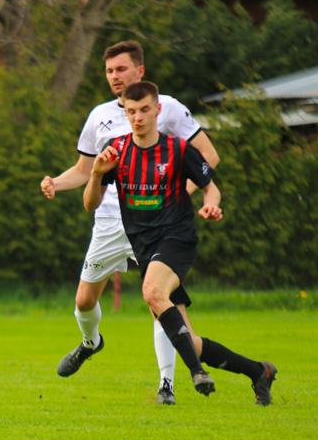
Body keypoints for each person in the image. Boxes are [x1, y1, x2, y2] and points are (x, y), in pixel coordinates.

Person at [40, 40, 221, 405]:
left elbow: (208, 155)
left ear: (139, 70)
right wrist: (55, 183)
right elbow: (83, 170)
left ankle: (166, 384)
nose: (114, 77)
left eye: (121, 69)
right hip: (110, 221)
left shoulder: (163, 106)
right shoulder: (100, 116)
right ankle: (91, 342)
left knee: (159, 301)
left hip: (158, 223)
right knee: (84, 300)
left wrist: (177, 197)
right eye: (108, 71)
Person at [83, 81, 278, 406]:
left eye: (144, 109)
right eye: (131, 111)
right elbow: (90, 204)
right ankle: (259, 371)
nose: (138, 117)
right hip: (145, 249)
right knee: (185, 337)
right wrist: (95, 174)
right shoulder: (116, 151)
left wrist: (211, 204)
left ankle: (196, 373)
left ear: (158, 109)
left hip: (177, 238)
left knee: (152, 293)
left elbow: (210, 187)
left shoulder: (177, 149)